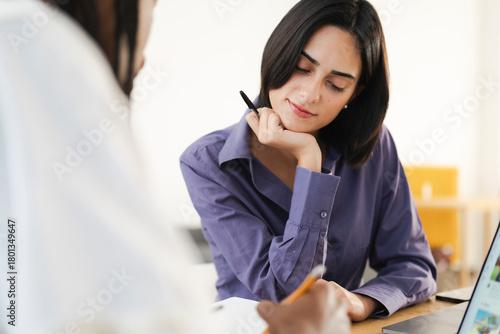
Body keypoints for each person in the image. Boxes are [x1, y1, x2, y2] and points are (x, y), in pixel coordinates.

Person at [0, 0, 349, 333]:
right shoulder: (38, 49)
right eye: (151, 4)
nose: (141, 61)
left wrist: (360, 302)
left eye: (336, 84)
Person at [180, 0, 438, 322]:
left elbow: (415, 266)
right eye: (302, 67)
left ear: (354, 95)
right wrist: (309, 160)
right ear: (279, 53)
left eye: (336, 84)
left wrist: (360, 302)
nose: (310, 94)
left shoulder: (373, 145)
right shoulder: (207, 163)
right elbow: (285, 293)